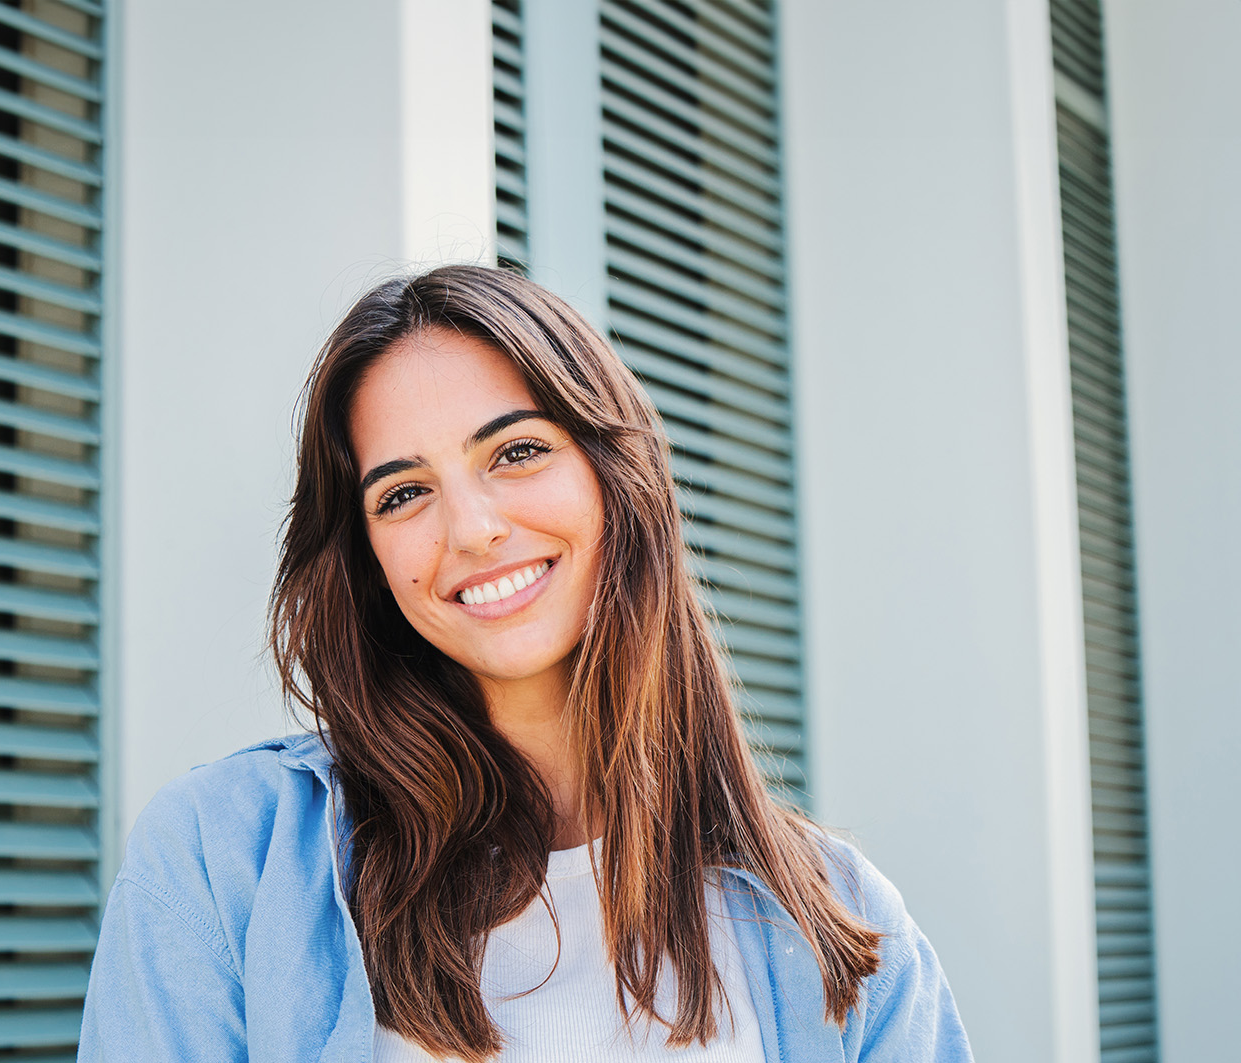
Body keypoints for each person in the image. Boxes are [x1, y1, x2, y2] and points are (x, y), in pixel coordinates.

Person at [78, 265, 973, 1062]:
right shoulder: (221, 857)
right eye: (404, 493)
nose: (470, 528)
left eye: (517, 451)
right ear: (370, 558)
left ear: (614, 475)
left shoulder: (838, 919)